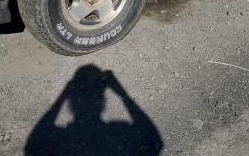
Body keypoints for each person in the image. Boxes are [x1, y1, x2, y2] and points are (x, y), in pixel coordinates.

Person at [25, 64, 163, 156]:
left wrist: (63, 95)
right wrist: (122, 93)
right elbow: (152, 139)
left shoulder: (61, 139)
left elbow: (33, 144)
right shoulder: (118, 131)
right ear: (103, 103)